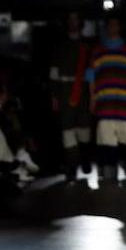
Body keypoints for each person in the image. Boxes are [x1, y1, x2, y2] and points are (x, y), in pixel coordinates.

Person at [86, 16, 126, 183]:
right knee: (106, 135)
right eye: (110, 24)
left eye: (116, 24)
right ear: (107, 27)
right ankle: (109, 167)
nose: (113, 27)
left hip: (125, 99)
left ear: (119, 27)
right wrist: (92, 98)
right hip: (105, 100)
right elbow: (91, 76)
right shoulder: (98, 51)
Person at [49, 11, 93, 182]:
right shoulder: (60, 46)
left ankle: (85, 157)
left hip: (83, 90)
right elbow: (53, 73)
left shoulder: (87, 45)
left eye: (76, 19)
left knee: (84, 128)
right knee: (67, 130)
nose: (73, 22)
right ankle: (72, 165)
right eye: (71, 19)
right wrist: (54, 95)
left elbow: (92, 69)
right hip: (65, 91)